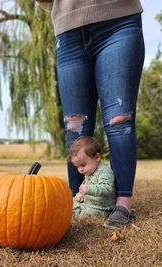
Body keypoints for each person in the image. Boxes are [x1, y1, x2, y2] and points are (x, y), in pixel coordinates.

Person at [36, 0, 145, 229]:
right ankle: (76, 200)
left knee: (119, 120)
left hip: (119, 20)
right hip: (68, 30)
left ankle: (123, 203)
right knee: (75, 127)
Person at [68, 136, 116, 218]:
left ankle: (76, 213)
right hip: (89, 203)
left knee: (84, 215)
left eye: (83, 165)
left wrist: (89, 189)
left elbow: (107, 188)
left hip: (101, 208)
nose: (80, 170)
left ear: (97, 157)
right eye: (77, 166)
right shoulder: (89, 171)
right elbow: (84, 188)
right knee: (70, 202)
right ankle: (73, 210)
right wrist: (80, 194)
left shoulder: (104, 171)